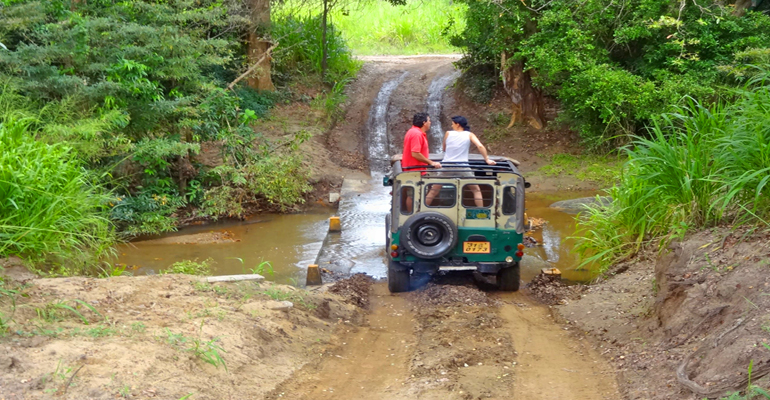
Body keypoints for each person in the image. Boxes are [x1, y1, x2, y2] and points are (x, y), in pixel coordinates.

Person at [426, 116, 495, 207]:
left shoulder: (448, 133)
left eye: (453, 124)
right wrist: (487, 159)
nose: (452, 125)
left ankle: (421, 210)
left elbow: (444, 148)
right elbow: (480, 146)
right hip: (463, 167)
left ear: (458, 124)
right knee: (476, 190)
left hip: (447, 166)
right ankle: (481, 212)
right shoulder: (469, 134)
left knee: (434, 191)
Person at [402, 113, 440, 213]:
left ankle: (415, 214)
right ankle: (412, 216)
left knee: (415, 194)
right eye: (429, 120)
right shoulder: (417, 134)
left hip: (415, 170)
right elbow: (415, 153)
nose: (430, 122)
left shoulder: (413, 131)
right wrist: (431, 163)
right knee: (413, 194)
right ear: (424, 122)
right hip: (415, 170)